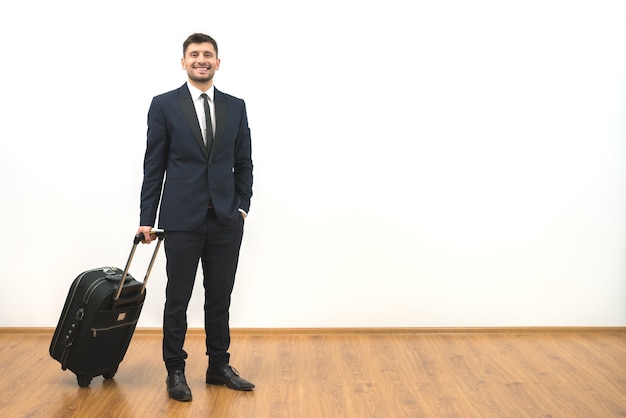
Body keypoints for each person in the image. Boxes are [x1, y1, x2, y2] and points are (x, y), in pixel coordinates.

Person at [137, 33, 254, 402]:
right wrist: (146, 217)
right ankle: (175, 370)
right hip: (182, 220)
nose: (201, 60)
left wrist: (242, 206)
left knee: (219, 298)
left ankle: (219, 365)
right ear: (183, 62)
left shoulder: (236, 107)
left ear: (218, 62)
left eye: (207, 55)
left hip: (224, 220)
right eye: (194, 54)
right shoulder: (164, 105)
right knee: (178, 297)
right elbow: (153, 166)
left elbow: (244, 162)